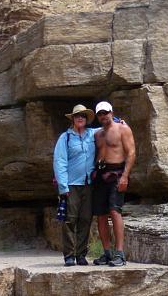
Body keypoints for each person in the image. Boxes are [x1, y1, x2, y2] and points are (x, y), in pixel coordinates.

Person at [92, 101, 136, 267]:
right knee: (101, 214)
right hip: (100, 174)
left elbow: (131, 153)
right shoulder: (97, 134)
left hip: (117, 173)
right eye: (100, 114)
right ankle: (107, 253)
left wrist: (125, 176)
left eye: (106, 112)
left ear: (111, 112)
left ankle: (120, 253)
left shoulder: (122, 129)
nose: (103, 116)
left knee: (115, 210)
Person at [53, 104, 97, 266]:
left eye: (83, 116)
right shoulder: (65, 137)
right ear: (73, 118)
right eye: (77, 115)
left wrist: (119, 121)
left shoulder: (92, 134)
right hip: (71, 185)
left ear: (87, 119)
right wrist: (62, 186)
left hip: (88, 184)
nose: (80, 118)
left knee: (85, 219)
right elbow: (60, 161)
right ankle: (69, 255)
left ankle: (81, 254)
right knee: (70, 220)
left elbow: (108, 127)